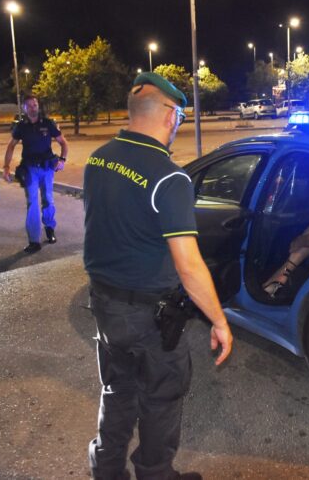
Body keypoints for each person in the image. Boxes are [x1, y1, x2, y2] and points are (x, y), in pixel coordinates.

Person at [83, 72, 233, 480]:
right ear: (169, 116)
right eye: (180, 117)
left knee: (117, 389)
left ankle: (106, 468)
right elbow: (189, 266)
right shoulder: (169, 178)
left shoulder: (98, 159)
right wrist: (219, 321)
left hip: (105, 306)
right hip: (149, 317)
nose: (178, 124)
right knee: (161, 398)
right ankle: (154, 473)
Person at [3, 95, 69, 253]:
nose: (33, 108)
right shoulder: (21, 126)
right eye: (30, 105)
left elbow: (63, 142)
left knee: (48, 200)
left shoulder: (48, 123)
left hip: (47, 168)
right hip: (30, 169)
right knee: (32, 203)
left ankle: (50, 228)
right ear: (24, 108)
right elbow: (11, 146)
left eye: (35, 104)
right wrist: (6, 166)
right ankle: (34, 241)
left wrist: (62, 160)